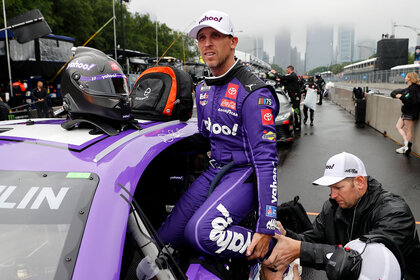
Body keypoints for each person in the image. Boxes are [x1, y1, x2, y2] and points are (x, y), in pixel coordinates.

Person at [157, 9, 280, 264]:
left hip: (245, 173)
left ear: (233, 41)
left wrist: (266, 225)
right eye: (202, 37)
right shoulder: (203, 89)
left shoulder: (254, 93)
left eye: (216, 35)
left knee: (201, 235)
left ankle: (280, 247)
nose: (207, 43)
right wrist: (160, 143)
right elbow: (204, 139)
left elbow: (266, 162)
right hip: (216, 171)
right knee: (163, 238)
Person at [263, 152, 420, 280]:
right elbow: (312, 240)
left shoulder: (395, 212)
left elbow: (363, 261)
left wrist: (300, 249)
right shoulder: (332, 207)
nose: (332, 195)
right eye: (330, 188)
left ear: (359, 182)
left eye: (338, 187)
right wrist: (287, 236)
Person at [391, 72, 420, 155]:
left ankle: (407, 147)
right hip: (406, 111)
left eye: (406, 77)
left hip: (410, 112)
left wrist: (401, 97)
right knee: (398, 126)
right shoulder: (410, 88)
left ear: (410, 78)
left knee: (408, 130)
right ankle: (406, 143)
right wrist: (401, 96)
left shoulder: (414, 89)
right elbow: (407, 97)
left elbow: (412, 100)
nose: (405, 78)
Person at [278, 66, 301, 132]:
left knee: (296, 110)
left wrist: (276, 73)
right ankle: (295, 123)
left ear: (289, 69)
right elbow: (284, 80)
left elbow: (284, 77)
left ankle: (298, 125)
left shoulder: (293, 75)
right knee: (292, 109)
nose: (286, 70)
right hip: (291, 95)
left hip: (295, 95)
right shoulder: (290, 77)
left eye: (287, 69)